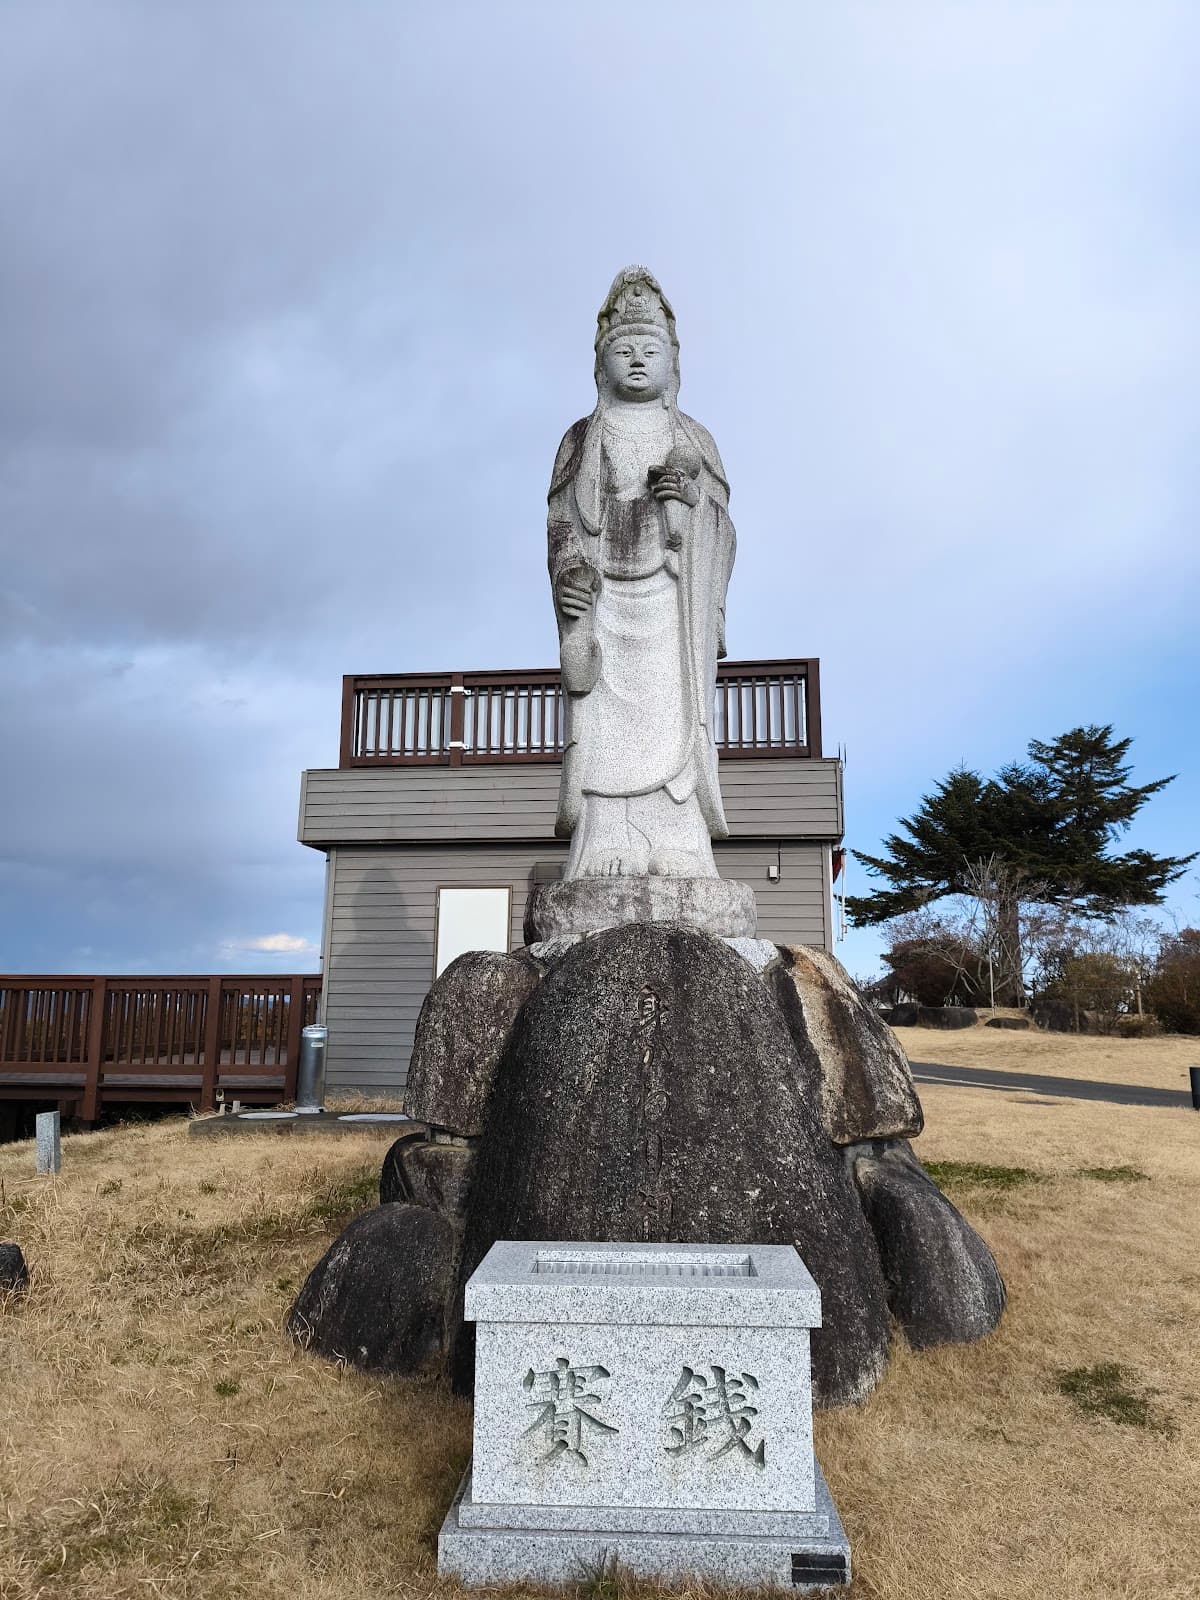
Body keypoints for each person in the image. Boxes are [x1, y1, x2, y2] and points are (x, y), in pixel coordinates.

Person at [547, 266, 736, 880]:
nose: (636, 361)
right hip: (606, 603)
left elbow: (723, 531)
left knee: (675, 715)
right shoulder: (582, 439)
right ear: (599, 364)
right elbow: (562, 526)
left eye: (649, 350)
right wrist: (571, 577)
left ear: (672, 363)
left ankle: (679, 838)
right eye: (623, 350)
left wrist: (689, 504)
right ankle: (606, 834)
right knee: (605, 718)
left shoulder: (694, 438)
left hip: (673, 604)